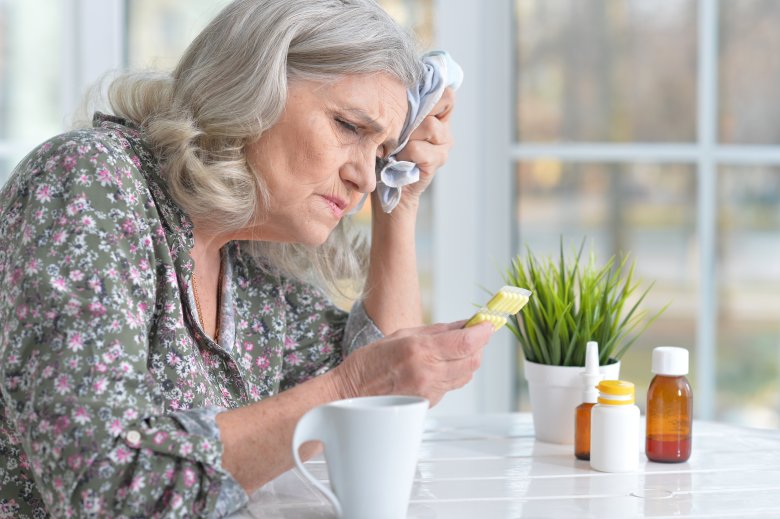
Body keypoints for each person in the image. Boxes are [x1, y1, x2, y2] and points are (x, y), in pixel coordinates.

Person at [0, 0, 493, 517]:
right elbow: (103, 486)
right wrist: (351, 385)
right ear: (252, 84)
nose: (367, 178)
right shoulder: (90, 182)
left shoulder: (251, 262)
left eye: (380, 153)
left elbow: (377, 397)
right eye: (349, 126)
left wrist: (402, 202)